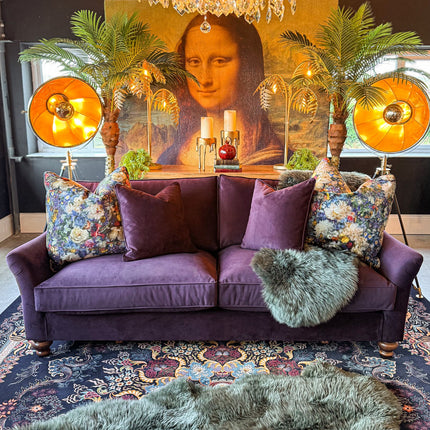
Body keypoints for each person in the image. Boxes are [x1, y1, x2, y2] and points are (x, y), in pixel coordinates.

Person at [157, 13, 284, 167]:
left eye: (219, 61)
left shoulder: (273, 157)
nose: (204, 79)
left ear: (246, 65)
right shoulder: (172, 157)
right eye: (194, 62)